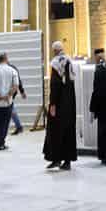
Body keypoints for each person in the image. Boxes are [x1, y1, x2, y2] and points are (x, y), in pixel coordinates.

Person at [43, 41, 78, 171]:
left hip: (59, 105)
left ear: (54, 51)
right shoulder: (69, 62)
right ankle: (67, 161)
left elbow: (55, 85)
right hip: (70, 104)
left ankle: (56, 158)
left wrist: (52, 104)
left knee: (55, 131)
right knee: (68, 131)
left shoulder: (56, 63)